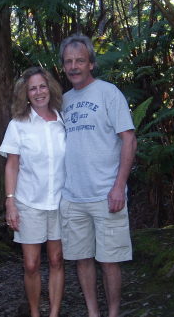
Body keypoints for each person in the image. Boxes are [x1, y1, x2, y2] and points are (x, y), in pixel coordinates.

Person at [59, 34, 137, 317]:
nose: (74, 66)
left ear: (91, 63)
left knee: (110, 261)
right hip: (73, 197)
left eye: (80, 60)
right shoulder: (63, 101)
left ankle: (113, 313)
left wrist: (119, 187)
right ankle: (93, 313)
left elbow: (129, 140)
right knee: (82, 259)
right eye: (68, 61)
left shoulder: (109, 93)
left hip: (107, 194)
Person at [0, 67, 65, 317]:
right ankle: (35, 313)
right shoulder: (18, 125)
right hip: (29, 203)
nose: (39, 92)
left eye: (42, 86)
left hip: (59, 202)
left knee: (57, 260)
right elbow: (12, 165)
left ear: (51, 88)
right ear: (25, 94)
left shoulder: (63, 121)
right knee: (31, 264)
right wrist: (10, 203)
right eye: (33, 88)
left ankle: (54, 313)